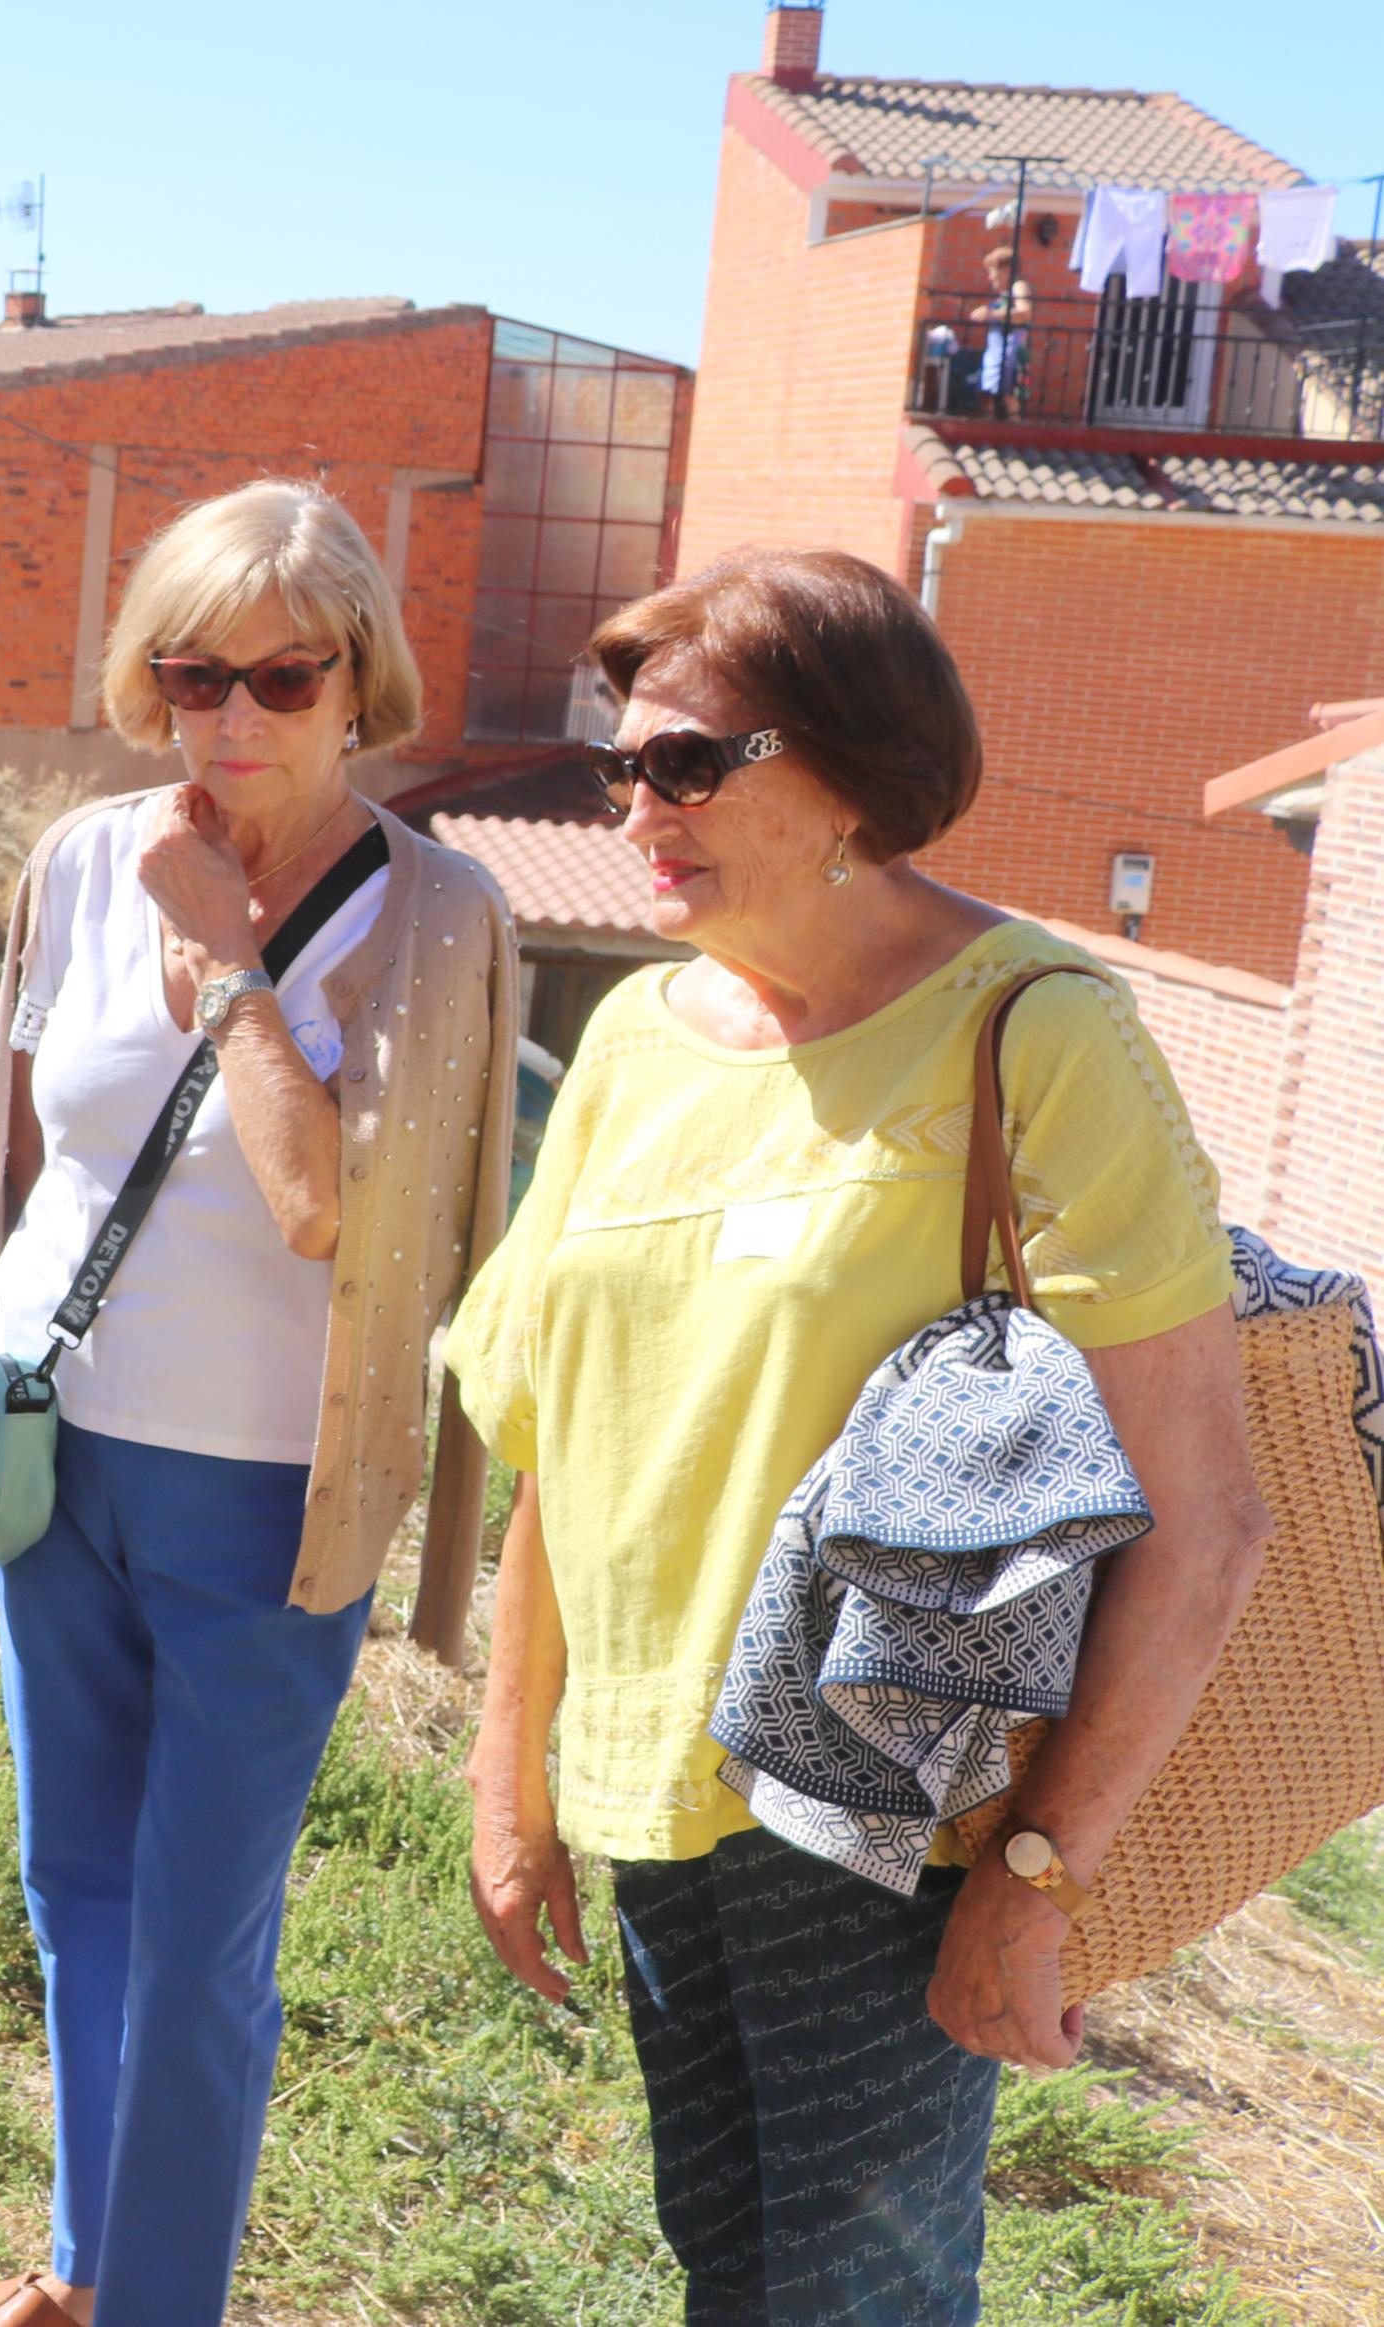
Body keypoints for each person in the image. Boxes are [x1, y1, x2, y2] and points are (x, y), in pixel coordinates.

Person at [455, 550, 1266, 2327]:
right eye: (625, 767)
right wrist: (514, 1783)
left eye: (686, 766)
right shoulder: (631, 1048)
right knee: (731, 2276)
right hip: (650, 1784)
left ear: (845, 777)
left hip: (884, 1806)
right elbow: (556, 1454)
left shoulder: (1034, 1034)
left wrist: (1041, 1878)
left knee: (854, 2305)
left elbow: (1209, 1520)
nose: (635, 809)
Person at [0, 483, 519, 2327]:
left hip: (262, 1497)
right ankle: (95, 2277)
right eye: (193, 675)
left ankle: (154, 2305)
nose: (231, 717)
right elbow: (23, 1168)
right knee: (74, 1890)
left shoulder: (437, 916)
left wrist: (232, 972)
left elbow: (334, 1213)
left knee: (196, 1943)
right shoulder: (84, 859)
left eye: (279, 675)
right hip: (61, 1453)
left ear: (358, 688)